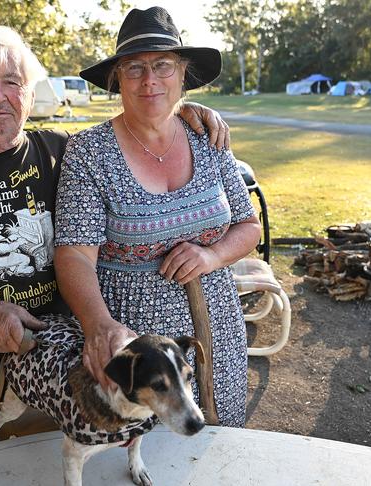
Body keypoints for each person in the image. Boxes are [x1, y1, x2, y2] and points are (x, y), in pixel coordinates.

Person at [0, 24, 231, 459]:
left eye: (12, 82)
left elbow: (131, 134)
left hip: (58, 380)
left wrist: (179, 111)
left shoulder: (62, 152)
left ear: (29, 92)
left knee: (55, 471)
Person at [54, 6, 261, 427]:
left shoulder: (208, 138)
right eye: (134, 68)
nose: (150, 80)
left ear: (183, 74)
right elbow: (74, 255)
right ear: (117, 80)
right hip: (134, 352)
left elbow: (249, 225)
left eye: (163, 66)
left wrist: (212, 256)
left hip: (215, 330)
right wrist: (99, 326)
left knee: (215, 449)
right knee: (141, 456)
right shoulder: (89, 152)